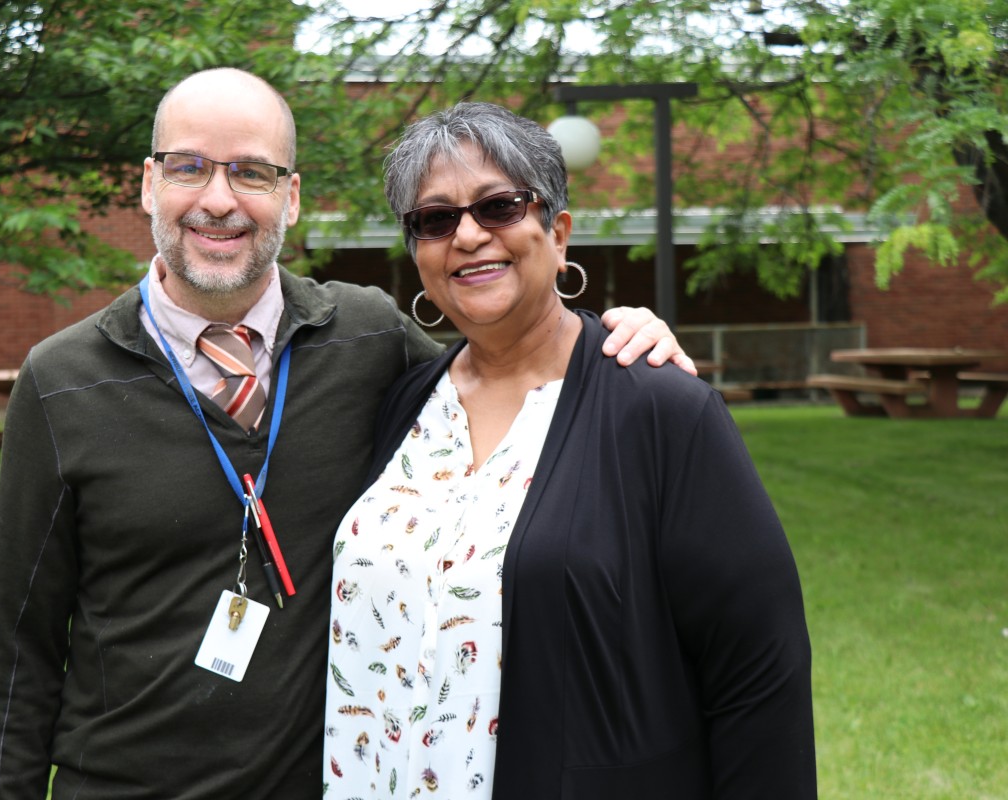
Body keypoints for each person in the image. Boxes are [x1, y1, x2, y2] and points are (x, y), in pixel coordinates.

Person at [0, 69, 691, 799]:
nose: (219, 200)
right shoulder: (62, 381)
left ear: (292, 196)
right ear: (150, 185)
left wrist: (614, 341)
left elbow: (505, 359)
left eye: (252, 172)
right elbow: (17, 648)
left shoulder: (367, 337)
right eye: (190, 167)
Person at [321, 102, 816, 799]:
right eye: (435, 219)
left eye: (498, 207)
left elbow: (760, 671)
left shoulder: (659, 408)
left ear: (557, 234)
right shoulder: (405, 403)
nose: (466, 235)